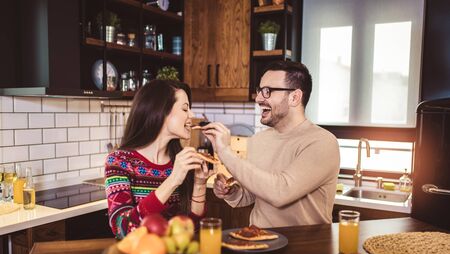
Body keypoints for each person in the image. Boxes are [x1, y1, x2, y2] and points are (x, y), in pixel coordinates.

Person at [203, 61, 340, 228]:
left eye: (267, 91)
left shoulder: (322, 142)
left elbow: (280, 192)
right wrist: (232, 192)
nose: (259, 98)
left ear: (294, 97)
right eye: (259, 91)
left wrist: (225, 152)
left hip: (305, 249)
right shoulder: (258, 140)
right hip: (260, 243)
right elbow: (254, 193)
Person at [105, 80, 212, 239]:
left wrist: (200, 184)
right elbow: (123, 229)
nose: (192, 115)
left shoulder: (180, 161)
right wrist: (173, 179)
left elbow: (192, 230)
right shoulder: (119, 161)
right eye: (185, 108)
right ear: (161, 112)